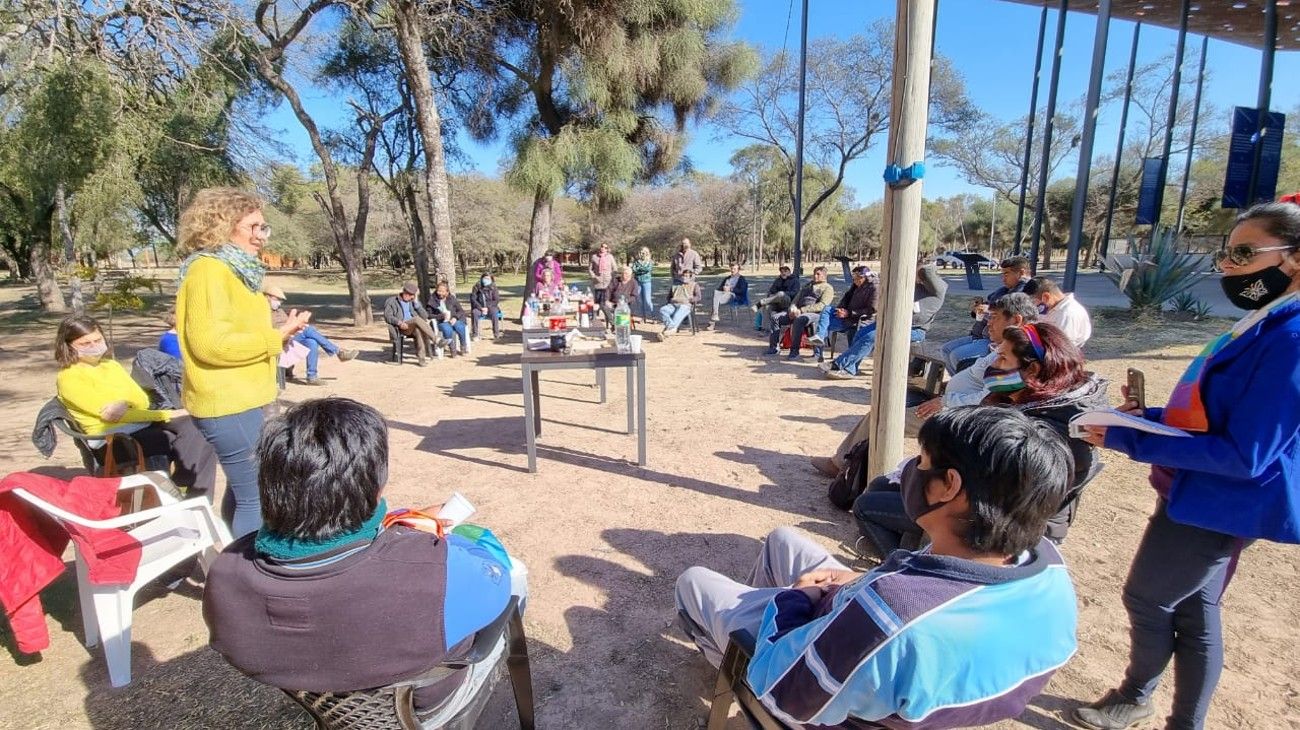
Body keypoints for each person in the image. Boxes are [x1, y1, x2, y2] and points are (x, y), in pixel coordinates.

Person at [675, 406, 1078, 728]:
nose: (909, 471)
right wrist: (861, 579)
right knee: (782, 538)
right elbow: (936, 593)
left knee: (694, 583)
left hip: (824, 685)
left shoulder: (888, 613)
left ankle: (741, 658)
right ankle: (746, 631)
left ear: (948, 486)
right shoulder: (1048, 566)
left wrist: (797, 600)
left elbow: (788, 692)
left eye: (921, 461)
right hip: (898, 657)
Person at [1072, 202, 1300, 730]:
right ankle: (1173, 715)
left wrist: (1133, 439)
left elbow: (1247, 454)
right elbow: (1210, 418)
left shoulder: (1290, 339)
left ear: (1292, 259)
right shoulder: (1264, 323)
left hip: (1222, 504)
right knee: (1196, 612)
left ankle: (1137, 697)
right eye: (1226, 253)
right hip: (1198, 492)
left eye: (1244, 253)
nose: (1228, 266)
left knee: (1147, 599)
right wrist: (1145, 418)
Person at [203, 398, 517, 725]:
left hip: (326, 704)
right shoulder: (435, 574)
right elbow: (498, 577)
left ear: (270, 486)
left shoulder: (225, 575)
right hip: (425, 705)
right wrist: (443, 537)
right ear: (376, 490)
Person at [853, 322, 1106, 560]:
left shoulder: (1052, 429)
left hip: (1001, 524)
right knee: (881, 487)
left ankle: (921, 569)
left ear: (1033, 370)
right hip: (980, 501)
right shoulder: (1029, 402)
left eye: (1003, 359)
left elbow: (996, 491)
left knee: (871, 504)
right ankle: (918, 549)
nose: (993, 365)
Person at [175, 187, 309, 538]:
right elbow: (210, 345)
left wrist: (281, 335)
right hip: (227, 403)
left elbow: (236, 335)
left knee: (243, 490)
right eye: (254, 226)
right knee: (258, 496)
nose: (262, 236)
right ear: (223, 225)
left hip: (246, 398)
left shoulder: (236, 272)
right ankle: (251, 575)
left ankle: (238, 564)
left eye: (263, 227)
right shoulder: (208, 271)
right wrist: (274, 338)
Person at [810, 291, 1036, 477]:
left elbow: (988, 400)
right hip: (951, 406)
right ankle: (849, 462)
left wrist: (946, 402)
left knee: (886, 417)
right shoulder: (1003, 348)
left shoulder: (1019, 355)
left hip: (959, 416)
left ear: (1015, 321)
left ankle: (847, 466)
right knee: (886, 405)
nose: (988, 325)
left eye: (994, 317)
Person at [54, 315, 216, 497]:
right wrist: (164, 415)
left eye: (97, 340)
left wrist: (125, 403)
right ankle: (188, 487)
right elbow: (109, 416)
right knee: (178, 432)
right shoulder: (69, 377)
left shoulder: (111, 365)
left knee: (199, 425)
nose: (94, 346)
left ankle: (191, 487)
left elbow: (142, 399)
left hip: (139, 424)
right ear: (68, 346)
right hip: (113, 437)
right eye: (85, 343)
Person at [820, 260, 946, 378]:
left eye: (915, 272)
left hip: (915, 331)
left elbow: (928, 271)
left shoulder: (938, 290)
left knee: (872, 337)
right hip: (893, 324)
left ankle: (839, 364)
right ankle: (850, 369)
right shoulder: (915, 287)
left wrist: (917, 265)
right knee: (861, 333)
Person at [940, 255, 1036, 373]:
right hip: (980, 334)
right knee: (946, 349)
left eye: (1006, 274)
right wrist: (977, 309)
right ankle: (959, 381)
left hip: (994, 340)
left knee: (956, 355)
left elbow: (1006, 315)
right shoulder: (1005, 290)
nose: (1003, 279)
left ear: (1021, 272)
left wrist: (988, 310)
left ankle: (966, 384)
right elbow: (989, 306)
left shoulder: (1024, 293)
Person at [266, 286, 358, 386]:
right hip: (279, 337)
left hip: (291, 336)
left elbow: (288, 322)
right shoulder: (262, 311)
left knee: (311, 342)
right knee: (308, 330)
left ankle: (312, 377)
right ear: (267, 297)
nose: (279, 302)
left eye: (281, 300)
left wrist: (296, 325)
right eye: (277, 299)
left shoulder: (278, 310)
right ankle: (338, 352)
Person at [766, 266, 834, 359]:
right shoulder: (807, 285)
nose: (815, 276)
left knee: (798, 320)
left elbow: (822, 305)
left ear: (825, 276)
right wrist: (792, 308)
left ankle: (794, 351)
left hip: (815, 314)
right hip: (797, 311)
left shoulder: (827, 288)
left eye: (818, 274)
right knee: (775, 318)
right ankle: (774, 347)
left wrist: (802, 310)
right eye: (814, 273)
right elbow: (796, 299)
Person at [807, 264, 877, 348]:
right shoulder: (855, 286)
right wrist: (841, 309)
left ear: (863, 277)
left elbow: (872, 309)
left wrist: (849, 313)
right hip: (845, 316)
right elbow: (846, 298)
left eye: (856, 278)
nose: (854, 280)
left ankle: (820, 344)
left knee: (823, 324)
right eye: (854, 278)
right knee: (826, 311)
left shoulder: (874, 288)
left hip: (857, 320)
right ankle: (819, 340)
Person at [384, 282, 437, 366]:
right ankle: (436, 339)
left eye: (412, 294)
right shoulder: (392, 301)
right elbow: (387, 316)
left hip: (412, 326)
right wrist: (399, 322)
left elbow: (425, 316)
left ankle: (421, 359)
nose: (409, 296)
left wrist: (417, 304)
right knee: (416, 319)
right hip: (400, 327)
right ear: (403, 291)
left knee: (418, 330)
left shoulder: (412, 302)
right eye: (408, 294)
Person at [1032, 276, 1092, 349]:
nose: (1035, 306)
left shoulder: (1067, 314)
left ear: (1046, 297)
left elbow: (1062, 347)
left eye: (1034, 302)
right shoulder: (1054, 307)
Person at [751, 264, 800, 331]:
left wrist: (783, 293)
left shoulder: (795, 280)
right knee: (766, 306)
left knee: (781, 293)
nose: (783, 273)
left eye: (785, 271)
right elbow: (771, 291)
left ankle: (760, 303)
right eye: (782, 271)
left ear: (789, 272)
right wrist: (771, 295)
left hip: (788, 301)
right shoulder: (778, 280)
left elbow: (795, 293)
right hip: (776, 302)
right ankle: (766, 329)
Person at [428, 282, 469, 357]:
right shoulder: (432, 300)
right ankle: (452, 347)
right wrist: (441, 316)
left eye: (443, 291)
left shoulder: (452, 298)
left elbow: (460, 310)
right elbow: (429, 315)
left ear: (447, 292)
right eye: (438, 291)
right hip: (441, 322)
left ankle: (463, 346)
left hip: (454, 319)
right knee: (447, 329)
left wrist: (455, 318)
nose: (440, 293)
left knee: (460, 327)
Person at [658, 270, 701, 338]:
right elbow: (669, 297)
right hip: (673, 304)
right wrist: (670, 301)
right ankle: (671, 328)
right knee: (663, 310)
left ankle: (667, 331)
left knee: (677, 314)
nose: (684, 277)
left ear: (690, 277)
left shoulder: (694, 285)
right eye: (683, 276)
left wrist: (691, 300)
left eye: (686, 276)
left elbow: (698, 297)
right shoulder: (675, 285)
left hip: (685, 305)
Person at [469, 273, 503, 340]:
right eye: (484, 278)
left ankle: (496, 334)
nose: (485, 280)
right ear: (481, 279)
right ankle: (475, 334)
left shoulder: (494, 287)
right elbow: (473, 299)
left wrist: (487, 307)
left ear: (491, 279)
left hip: (491, 307)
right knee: (474, 312)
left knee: (494, 313)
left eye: (488, 279)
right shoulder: (476, 287)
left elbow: (496, 300)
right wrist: (481, 308)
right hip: (479, 307)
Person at [632, 246, 656, 322]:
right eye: (641, 252)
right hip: (638, 282)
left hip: (646, 282)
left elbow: (647, 269)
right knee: (640, 300)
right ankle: (643, 316)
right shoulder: (636, 262)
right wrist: (641, 270)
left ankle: (652, 316)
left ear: (647, 253)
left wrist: (640, 269)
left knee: (647, 300)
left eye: (644, 252)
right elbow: (634, 270)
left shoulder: (649, 261)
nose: (643, 254)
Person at [588, 242, 616, 309]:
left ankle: (606, 314)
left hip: (607, 281)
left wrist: (612, 276)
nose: (603, 248)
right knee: (597, 299)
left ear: (607, 249)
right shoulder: (594, 257)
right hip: (598, 281)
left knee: (606, 299)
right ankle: (596, 315)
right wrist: (594, 277)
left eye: (605, 247)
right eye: (602, 246)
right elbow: (590, 269)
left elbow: (615, 268)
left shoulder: (610, 257)